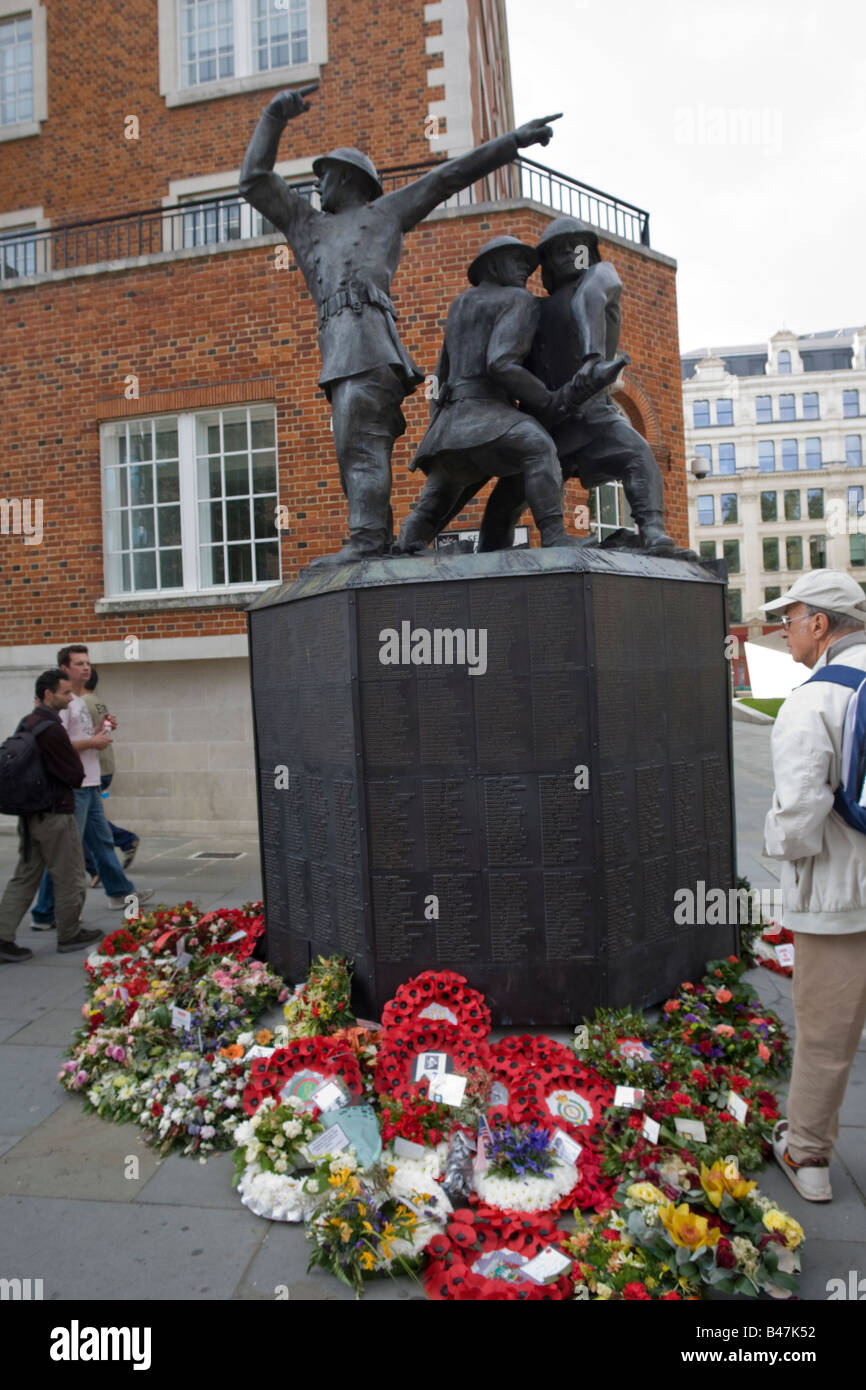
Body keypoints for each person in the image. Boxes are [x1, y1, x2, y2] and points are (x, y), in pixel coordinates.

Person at [239, 82, 562, 563]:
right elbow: (254, 181)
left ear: (348, 179)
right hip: (341, 351)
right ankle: (377, 539)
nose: (317, 187)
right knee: (352, 449)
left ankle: (368, 540)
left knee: (361, 447)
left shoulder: (384, 215)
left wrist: (513, 141)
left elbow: (448, 177)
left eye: (324, 176)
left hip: (369, 347)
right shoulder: (306, 225)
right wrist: (273, 117)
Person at [396, 236, 626, 553]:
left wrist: (438, 424)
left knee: (431, 508)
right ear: (493, 265)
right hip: (489, 413)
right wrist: (548, 399)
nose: (525, 270)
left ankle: (405, 545)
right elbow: (501, 363)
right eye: (517, 260)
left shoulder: (459, 304)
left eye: (528, 265)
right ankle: (554, 536)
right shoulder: (518, 299)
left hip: (451, 424)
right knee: (540, 447)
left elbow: (439, 374)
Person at [475, 216, 678, 554]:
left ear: (589, 252)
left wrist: (592, 358)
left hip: (593, 417)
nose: (570, 252)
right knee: (503, 504)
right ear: (547, 263)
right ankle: (487, 560)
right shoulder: (532, 308)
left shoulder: (601, 275)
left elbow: (592, 297)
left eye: (577, 246)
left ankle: (653, 531)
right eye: (560, 249)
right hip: (547, 425)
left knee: (638, 455)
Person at [760, 570, 866, 1201]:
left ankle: (808, 1155)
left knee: (827, 1035)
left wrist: (775, 845)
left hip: (841, 897)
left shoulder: (815, 698)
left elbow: (799, 818)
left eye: (790, 618)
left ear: (821, 624)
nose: (784, 630)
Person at [30, 645, 152, 927]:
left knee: (103, 843)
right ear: (64, 668)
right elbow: (56, 744)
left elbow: (81, 739)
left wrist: (101, 730)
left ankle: (120, 893)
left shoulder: (78, 700)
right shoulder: (62, 703)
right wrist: (92, 742)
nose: (86, 667)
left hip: (91, 782)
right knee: (66, 851)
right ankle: (44, 913)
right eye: (79, 663)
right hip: (75, 787)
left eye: (87, 662)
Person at [0, 669, 102, 961]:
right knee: (69, 875)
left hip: (30, 814)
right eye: (65, 693)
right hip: (56, 813)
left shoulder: (28, 722)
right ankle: (69, 934)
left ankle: (3, 938)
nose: (70, 698)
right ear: (48, 694)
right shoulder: (53, 729)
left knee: (24, 877)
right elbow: (74, 774)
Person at [81, 667, 139, 885]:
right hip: (104, 766)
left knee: (86, 820)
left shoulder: (82, 704)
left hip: (94, 768)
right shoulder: (97, 702)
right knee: (89, 819)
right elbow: (105, 729)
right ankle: (106, 866)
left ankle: (122, 843)